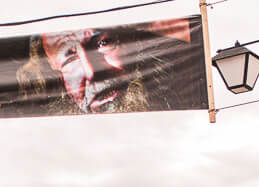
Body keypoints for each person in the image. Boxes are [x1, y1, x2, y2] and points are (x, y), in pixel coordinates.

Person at [17, 18, 204, 115]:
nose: (92, 72)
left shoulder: (191, 85)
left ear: (134, 41)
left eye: (103, 43)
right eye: (68, 59)